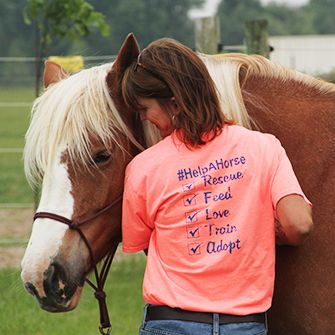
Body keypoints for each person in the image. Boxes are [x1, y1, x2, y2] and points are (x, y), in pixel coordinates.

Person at [121, 38, 313, 335]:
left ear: (174, 102)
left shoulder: (143, 168)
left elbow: (140, 241)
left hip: (171, 322)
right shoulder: (264, 147)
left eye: (144, 108)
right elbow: (299, 223)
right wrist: (256, 230)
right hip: (243, 325)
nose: (144, 118)